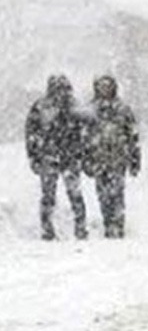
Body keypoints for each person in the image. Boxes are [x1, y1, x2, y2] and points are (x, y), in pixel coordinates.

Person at [25, 75, 88, 240]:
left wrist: (82, 153)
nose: (60, 92)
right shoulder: (41, 106)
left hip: (68, 156)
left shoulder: (74, 107)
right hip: (50, 156)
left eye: (62, 87)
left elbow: (84, 133)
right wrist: (33, 156)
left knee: (74, 194)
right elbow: (31, 132)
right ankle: (48, 229)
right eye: (57, 88)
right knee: (49, 196)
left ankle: (80, 228)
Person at [81, 75, 140, 238]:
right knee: (103, 195)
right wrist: (85, 160)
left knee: (117, 194)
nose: (105, 89)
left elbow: (133, 136)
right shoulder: (90, 110)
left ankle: (118, 225)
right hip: (98, 160)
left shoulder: (123, 109)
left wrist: (135, 160)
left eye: (108, 86)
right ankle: (108, 224)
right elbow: (84, 138)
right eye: (101, 86)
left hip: (118, 159)